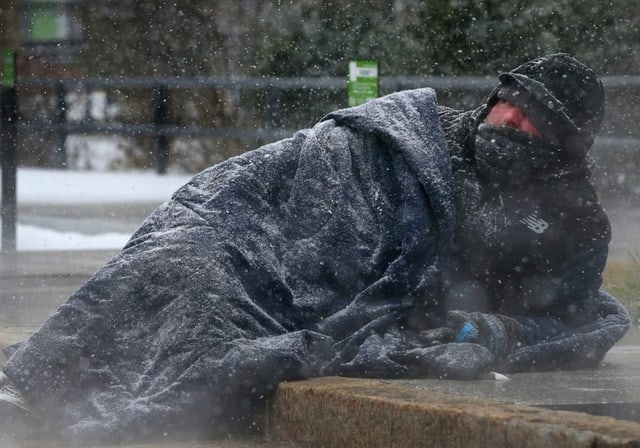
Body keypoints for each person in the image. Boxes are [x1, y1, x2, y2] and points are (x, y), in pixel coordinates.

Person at [0, 53, 630, 443]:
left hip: (339, 293)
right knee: (175, 261)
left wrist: (494, 331)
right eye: (510, 108)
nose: (511, 124)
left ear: (563, 144)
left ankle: (82, 421)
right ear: (495, 100)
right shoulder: (420, 134)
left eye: (534, 122)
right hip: (268, 240)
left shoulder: (572, 222)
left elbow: (582, 312)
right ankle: (36, 381)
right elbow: (290, 171)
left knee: (214, 322)